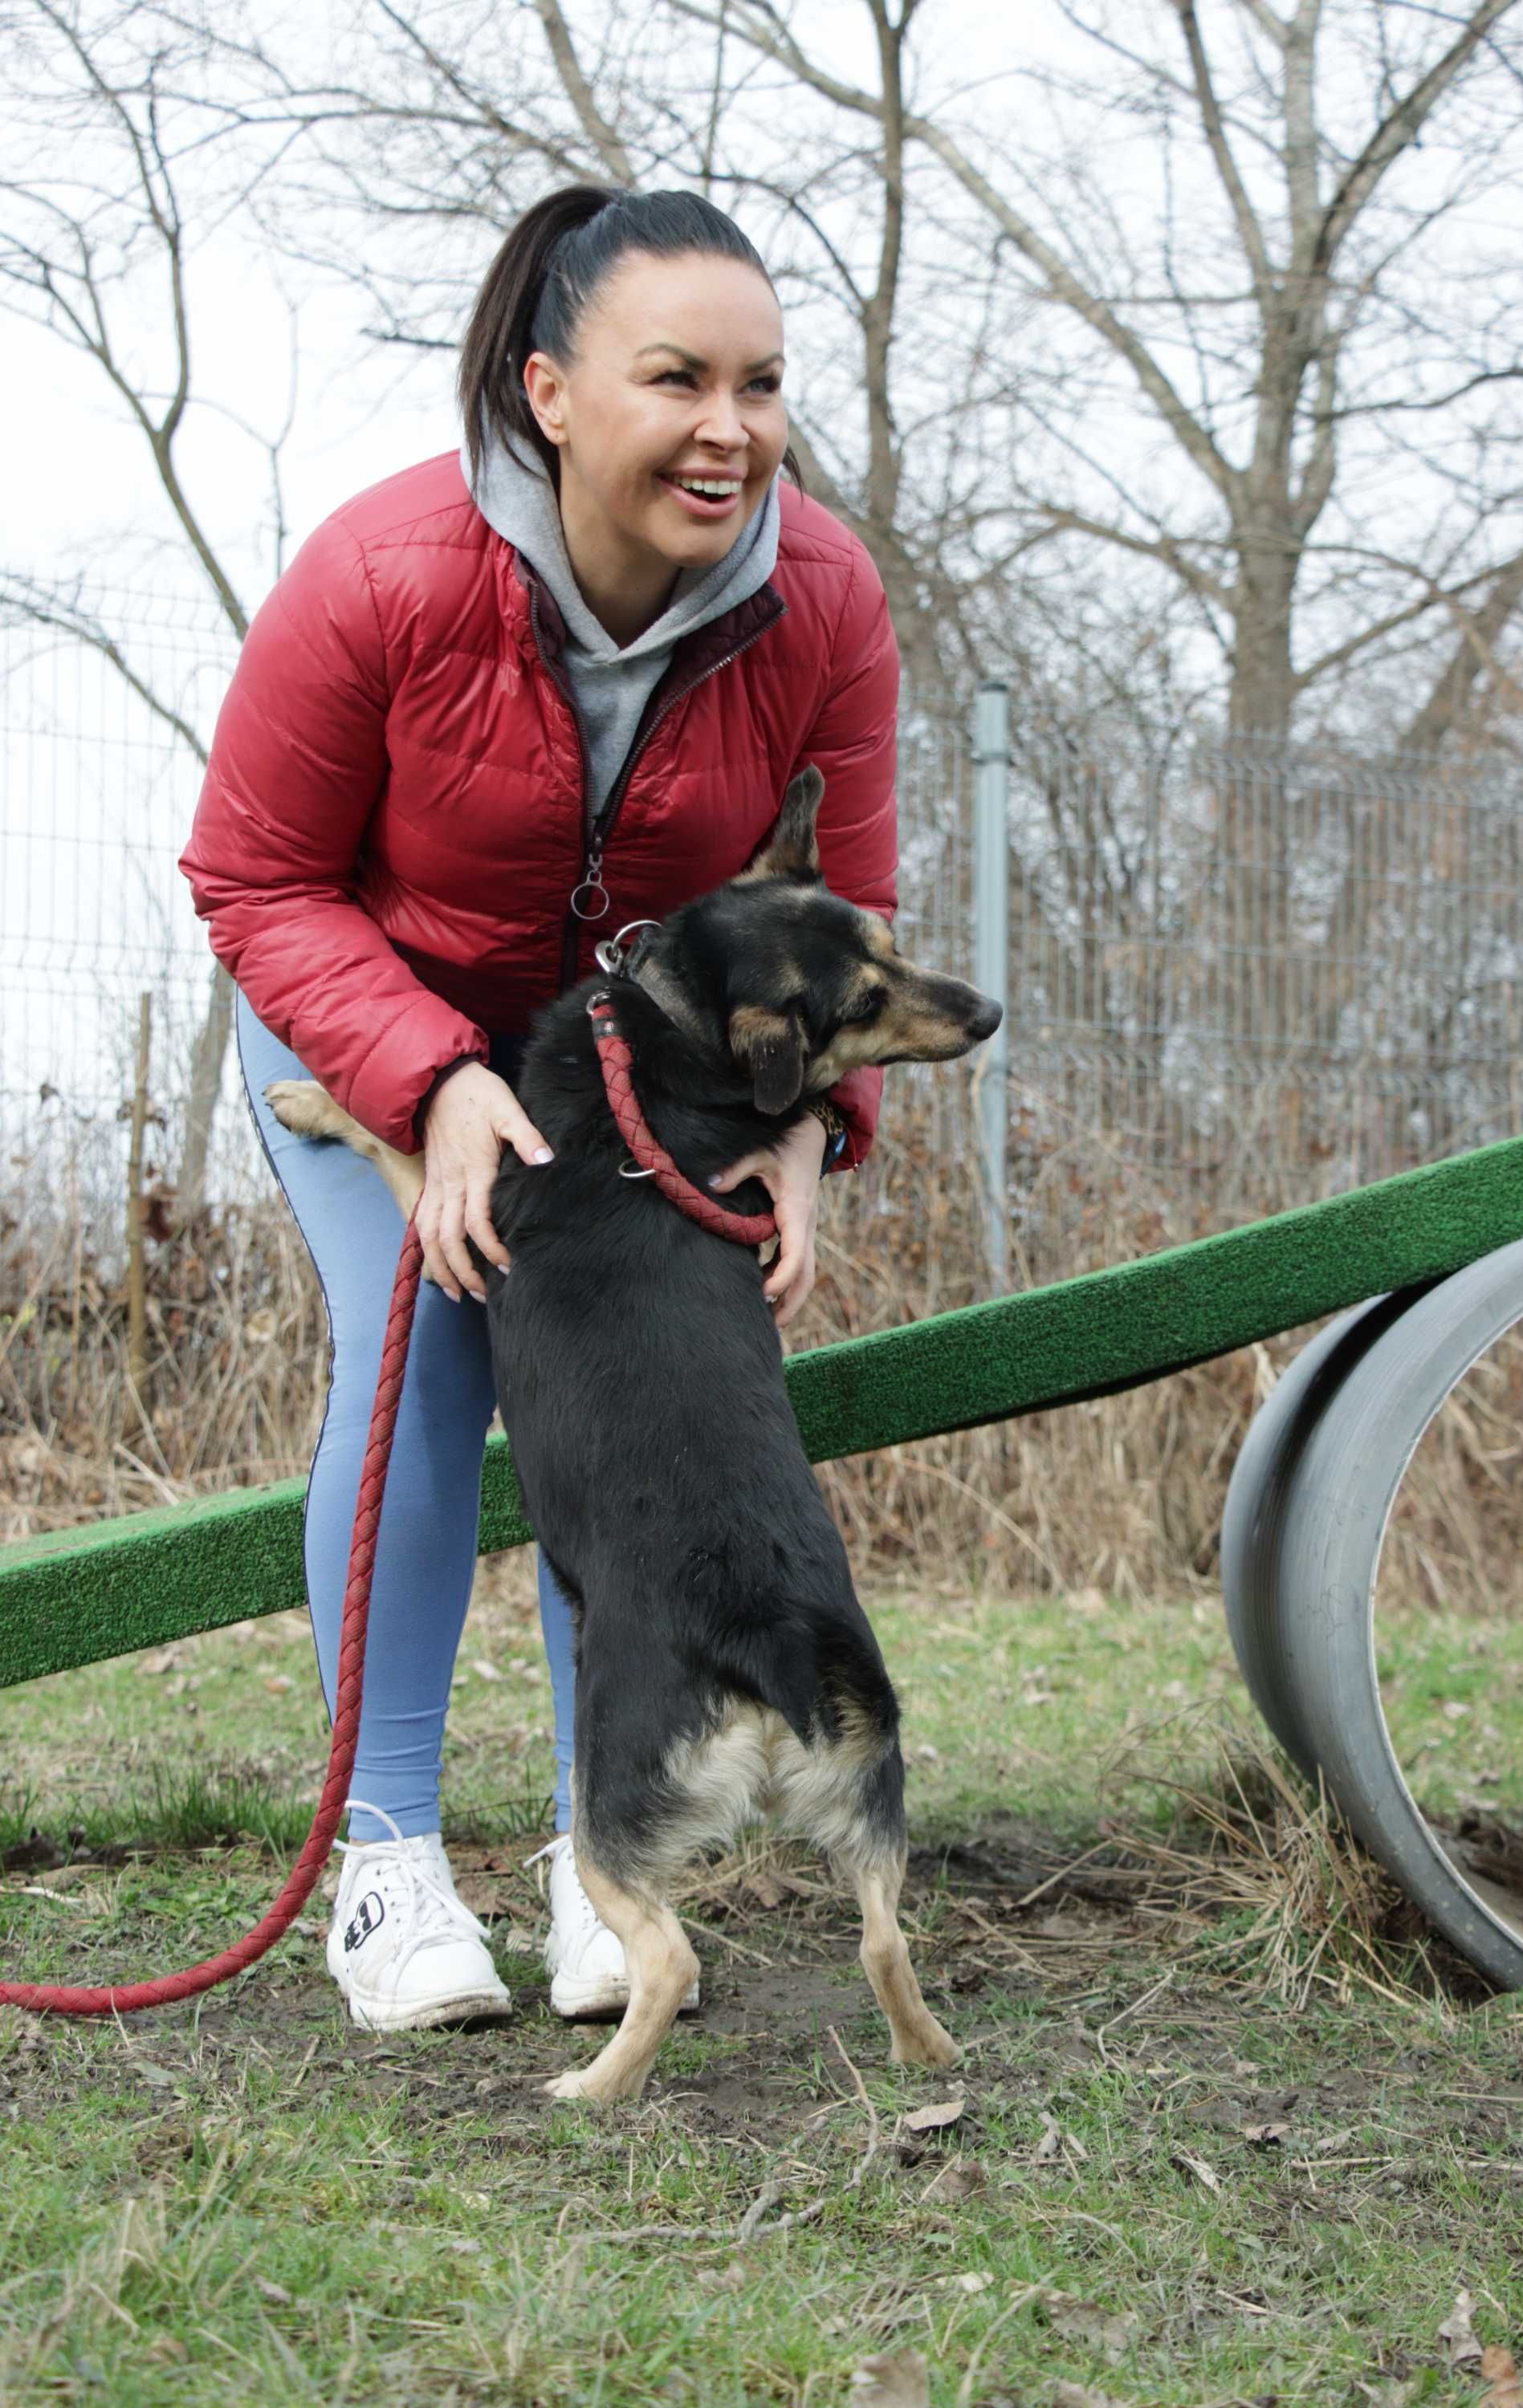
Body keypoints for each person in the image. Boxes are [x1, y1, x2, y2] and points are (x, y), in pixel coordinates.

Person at [179, 184, 899, 2034]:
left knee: (636, 1383)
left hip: (624, 1077)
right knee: (424, 1356)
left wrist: (811, 1124)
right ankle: (389, 1862)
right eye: (676, 378)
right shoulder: (386, 572)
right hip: (363, 1041)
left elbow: (834, 929)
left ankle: (613, 1857)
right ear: (553, 390)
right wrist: (425, 1089)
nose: (727, 428)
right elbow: (255, 876)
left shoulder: (817, 597)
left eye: (760, 383)